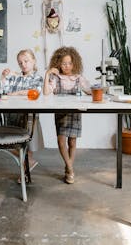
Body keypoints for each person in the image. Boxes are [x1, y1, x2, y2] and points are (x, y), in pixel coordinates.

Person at [43, 46, 90, 184]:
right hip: (61, 113)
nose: (67, 66)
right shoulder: (55, 77)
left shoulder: (78, 78)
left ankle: (68, 168)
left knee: (72, 141)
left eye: (70, 63)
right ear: (58, 63)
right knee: (61, 141)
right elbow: (46, 92)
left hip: (75, 112)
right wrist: (47, 74)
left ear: (74, 63)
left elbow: (89, 90)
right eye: (64, 63)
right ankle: (70, 168)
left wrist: (102, 92)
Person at [1, 49, 44, 176]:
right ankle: (28, 163)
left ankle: (25, 171)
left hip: (29, 116)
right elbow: (5, 91)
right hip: (13, 115)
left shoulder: (37, 78)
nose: (23, 64)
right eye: (20, 63)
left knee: (27, 144)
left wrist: (16, 93)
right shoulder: (15, 77)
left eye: (26, 61)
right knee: (11, 143)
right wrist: (3, 77)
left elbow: (35, 91)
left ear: (33, 61)